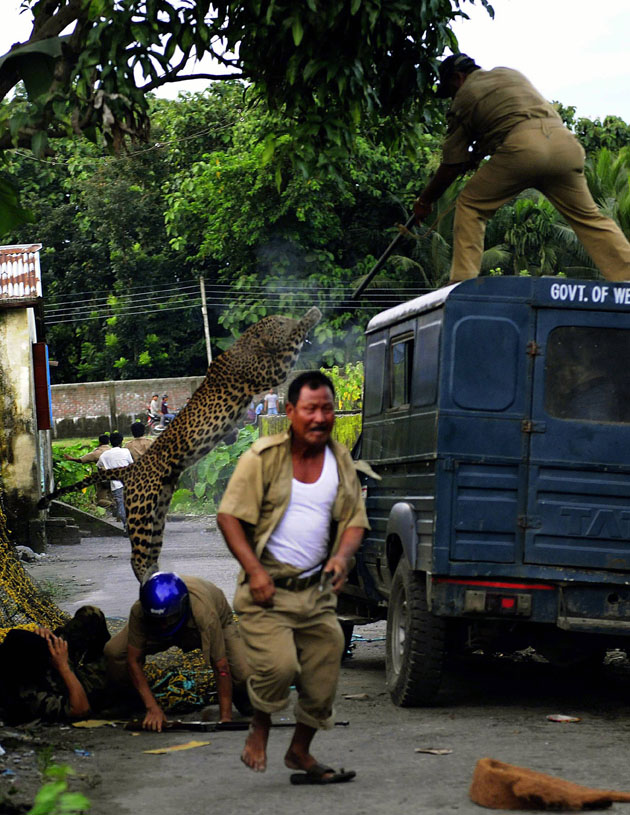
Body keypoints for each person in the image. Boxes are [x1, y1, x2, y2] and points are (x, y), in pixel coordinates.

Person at [217, 370, 369, 784]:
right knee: (280, 668)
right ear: (290, 412)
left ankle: (299, 751)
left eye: (327, 409)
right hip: (267, 591)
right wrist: (254, 572)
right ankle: (260, 727)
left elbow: (355, 520)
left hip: (315, 592)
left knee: (324, 672)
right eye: (310, 409)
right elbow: (229, 517)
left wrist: (340, 558)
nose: (320, 418)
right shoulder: (263, 458)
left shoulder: (340, 460)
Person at [413, 53, 630, 284]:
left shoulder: (464, 96)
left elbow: (451, 165)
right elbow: (507, 115)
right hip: (565, 146)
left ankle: (462, 283)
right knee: (589, 218)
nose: (452, 97)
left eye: (450, 90)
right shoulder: (508, 74)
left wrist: (425, 201)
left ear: (458, 77)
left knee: (471, 205)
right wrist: (477, 153)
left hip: (523, 149)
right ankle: (626, 275)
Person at [103, 572, 252, 731]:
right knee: (114, 652)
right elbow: (134, 660)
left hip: (213, 620)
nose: (164, 625)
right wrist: (151, 707)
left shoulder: (204, 614)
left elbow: (220, 667)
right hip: (159, 626)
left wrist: (225, 719)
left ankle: (238, 693)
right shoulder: (140, 611)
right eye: (159, 620)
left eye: (168, 620)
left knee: (243, 675)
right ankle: (133, 698)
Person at [0, 606, 111, 725]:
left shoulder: (13, 661)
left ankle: (104, 651)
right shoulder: (31, 697)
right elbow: (81, 709)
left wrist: (46, 637)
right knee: (111, 667)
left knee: (90, 614)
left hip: (48, 664)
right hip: (69, 681)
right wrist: (64, 667)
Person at [64, 433, 112, 508]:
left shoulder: (96, 453)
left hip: (103, 478)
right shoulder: (113, 450)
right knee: (113, 495)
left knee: (100, 500)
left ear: (100, 442)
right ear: (109, 442)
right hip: (116, 476)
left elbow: (81, 460)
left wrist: (71, 458)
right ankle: (116, 507)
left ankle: (112, 505)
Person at [97, 431, 133, 531]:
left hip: (116, 484)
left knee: (120, 504)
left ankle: (126, 525)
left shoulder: (105, 455)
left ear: (110, 442)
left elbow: (99, 466)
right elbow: (131, 463)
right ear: (121, 442)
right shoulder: (126, 451)